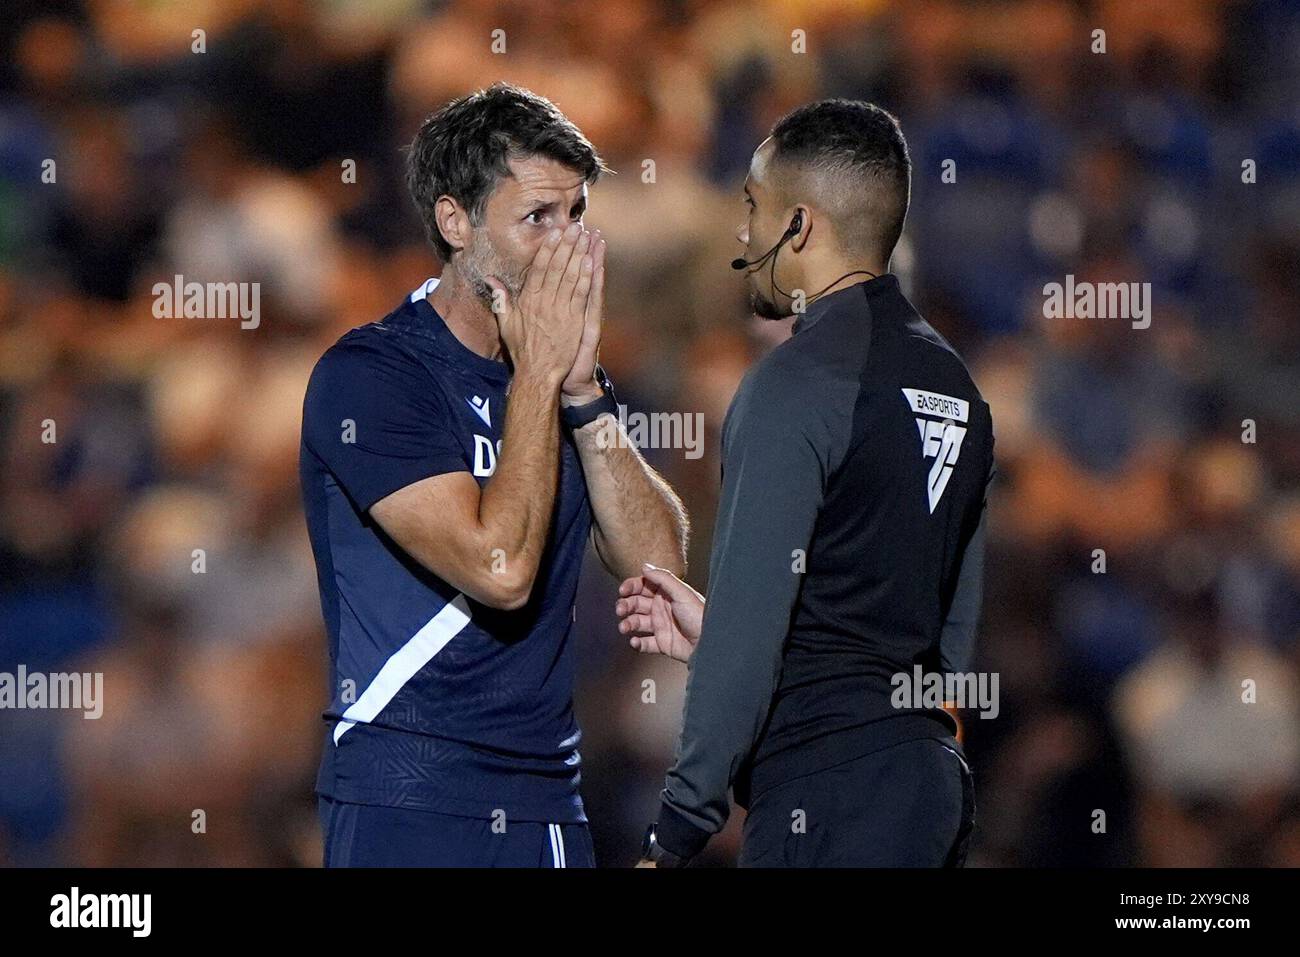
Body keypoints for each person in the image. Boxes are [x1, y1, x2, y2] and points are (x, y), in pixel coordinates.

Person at [300, 83, 688, 867]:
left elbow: (659, 565)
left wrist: (581, 392)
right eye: (537, 217)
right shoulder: (371, 376)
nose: (565, 244)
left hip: (549, 795)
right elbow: (501, 570)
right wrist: (544, 378)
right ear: (455, 221)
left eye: (576, 214)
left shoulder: (562, 377)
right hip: (407, 794)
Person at [618, 99, 994, 867]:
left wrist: (677, 828)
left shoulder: (794, 381)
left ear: (801, 226)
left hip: (827, 798)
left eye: (753, 206)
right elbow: (946, 639)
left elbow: (749, 648)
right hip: (929, 789)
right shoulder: (958, 387)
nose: (741, 233)